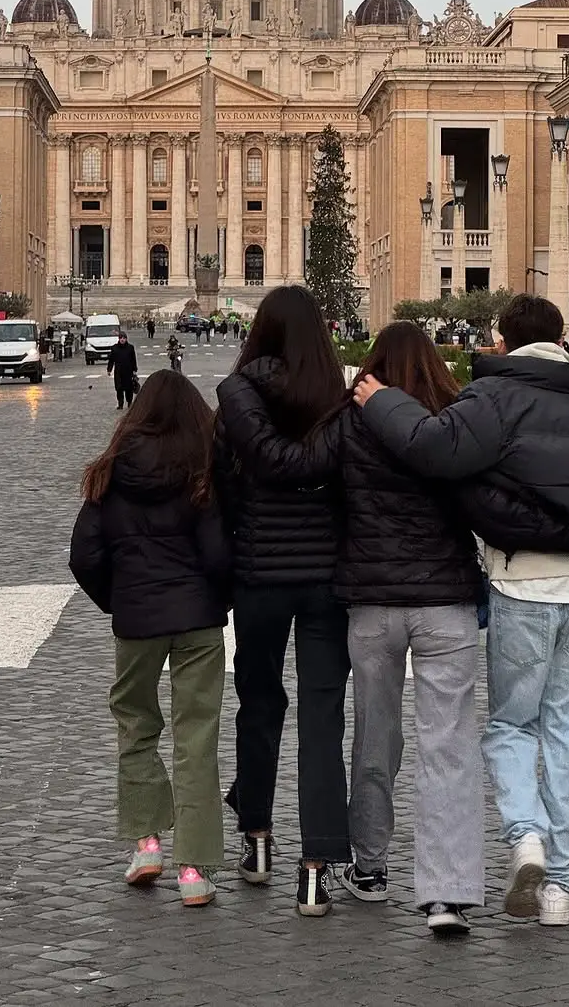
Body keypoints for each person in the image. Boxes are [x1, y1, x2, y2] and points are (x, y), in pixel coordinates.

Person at [353, 293, 569, 928]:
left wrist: (378, 396)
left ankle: (526, 838)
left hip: (521, 581)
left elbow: (432, 450)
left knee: (512, 726)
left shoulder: (494, 401)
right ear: (562, 340)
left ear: (503, 341)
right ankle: (563, 888)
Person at [69, 371, 230, 908]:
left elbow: (84, 555)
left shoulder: (111, 471)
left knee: (136, 727)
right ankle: (195, 871)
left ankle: (146, 844)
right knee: (197, 736)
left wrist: (119, 600)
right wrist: (217, 600)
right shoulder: (202, 469)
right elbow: (217, 554)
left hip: (137, 619)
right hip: (196, 619)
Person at [214, 285, 350, 917]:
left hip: (261, 573)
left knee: (259, 705)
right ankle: (317, 870)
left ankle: (258, 841)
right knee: (323, 719)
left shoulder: (238, 395)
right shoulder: (339, 400)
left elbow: (224, 486)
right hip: (326, 575)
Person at [107, 331, 139, 410]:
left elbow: (133, 359)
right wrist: (109, 369)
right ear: (119, 339)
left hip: (128, 371)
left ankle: (129, 402)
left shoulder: (130, 347)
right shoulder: (114, 348)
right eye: (121, 338)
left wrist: (134, 369)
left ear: (126, 339)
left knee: (129, 388)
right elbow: (111, 360)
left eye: (124, 338)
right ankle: (120, 404)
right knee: (119, 388)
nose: (122, 340)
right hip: (118, 371)